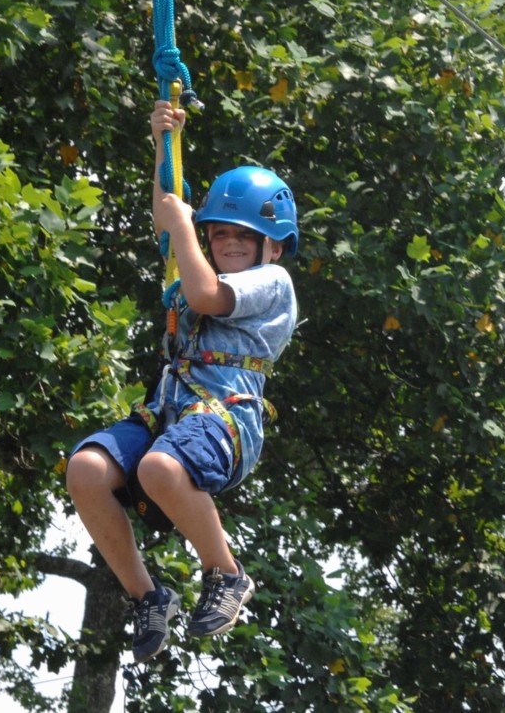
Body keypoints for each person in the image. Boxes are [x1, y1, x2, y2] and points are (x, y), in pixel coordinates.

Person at [66, 100, 299, 663]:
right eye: (219, 235)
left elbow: (203, 294)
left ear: (274, 244)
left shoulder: (274, 282)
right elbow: (168, 218)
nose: (230, 243)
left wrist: (183, 224)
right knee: (86, 469)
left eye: (245, 236)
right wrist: (161, 145)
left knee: (161, 467)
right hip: (170, 410)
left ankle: (225, 571)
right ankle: (148, 595)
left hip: (225, 415)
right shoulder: (196, 265)